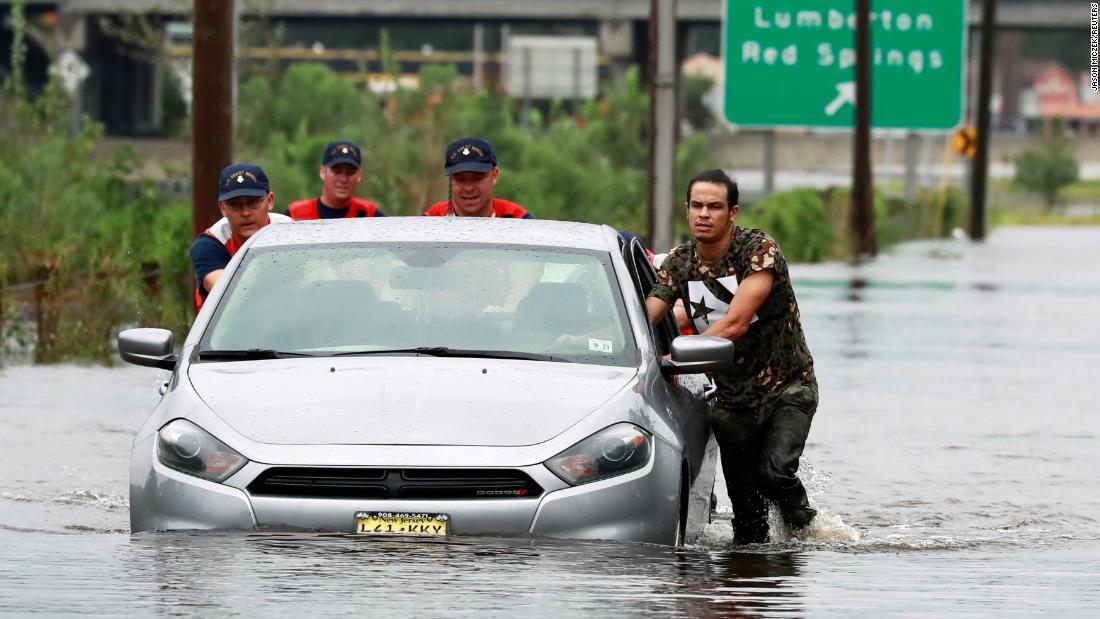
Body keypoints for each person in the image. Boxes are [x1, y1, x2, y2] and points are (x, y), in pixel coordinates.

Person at [645, 169, 818, 545]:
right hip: (731, 401)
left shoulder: (757, 250)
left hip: (787, 388)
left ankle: (807, 533)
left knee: (775, 473)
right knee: (747, 524)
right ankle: (745, 586)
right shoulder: (679, 262)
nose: (704, 214)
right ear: (686, 210)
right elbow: (650, 312)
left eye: (714, 206)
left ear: (733, 212)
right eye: (696, 206)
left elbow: (736, 323)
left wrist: (673, 357)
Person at [190, 163, 291, 310]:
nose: (245, 213)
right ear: (223, 208)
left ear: (270, 201)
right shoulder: (209, 244)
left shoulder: (292, 232)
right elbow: (230, 295)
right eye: (235, 205)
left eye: (253, 202)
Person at [423, 137, 533, 218]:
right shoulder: (432, 219)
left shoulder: (518, 220)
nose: (468, 188)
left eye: (477, 178)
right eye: (459, 179)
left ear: (494, 176)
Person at [287, 140, 385, 220]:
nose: (343, 179)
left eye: (350, 172)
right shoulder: (295, 215)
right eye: (337, 171)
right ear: (322, 172)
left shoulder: (370, 216)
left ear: (359, 175)